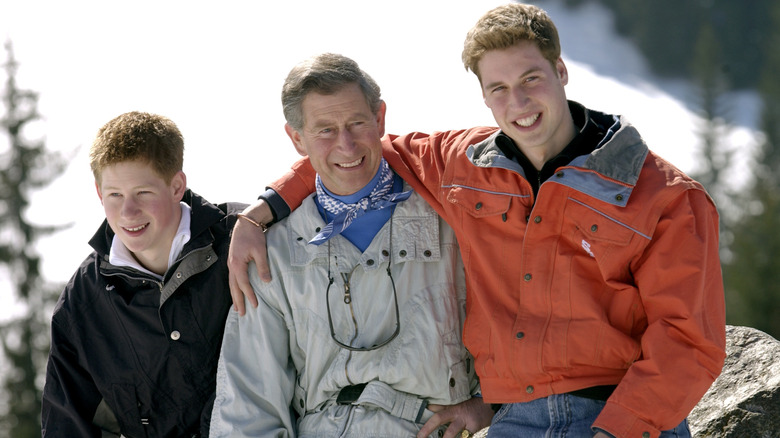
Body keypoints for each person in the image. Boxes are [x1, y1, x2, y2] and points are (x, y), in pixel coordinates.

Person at [227, 4, 727, 438]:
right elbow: (354, 154)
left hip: (616, 414)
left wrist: (616, 431)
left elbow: (689, 341)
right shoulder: (461, 165)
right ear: (485, 97)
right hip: (516, 420)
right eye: (499, 88)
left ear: (561, 70)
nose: (519, 104)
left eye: (531, 78)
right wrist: (263, 210)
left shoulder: (664, 195)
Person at [209, 53, 494, 438]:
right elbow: (248, 404)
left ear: (379, 119)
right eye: (324, 130)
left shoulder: (453, 218)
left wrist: (491, 404)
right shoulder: (271, 252)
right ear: (297, 138)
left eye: (357, 123)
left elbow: (519, 323)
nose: (346, 144)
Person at [41, 112, 245, 437]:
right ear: (99, 193)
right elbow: (67, 422)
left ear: (177, 185)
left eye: (143, 193)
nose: (128, 212)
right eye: (115, 195)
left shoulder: (242, 240)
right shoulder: (84, 299)